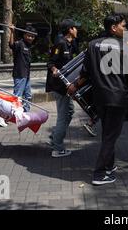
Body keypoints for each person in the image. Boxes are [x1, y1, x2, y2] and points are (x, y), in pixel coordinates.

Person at [68, 14, 128, 186]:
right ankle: (100, 173)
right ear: (114, 27)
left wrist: (75, 85)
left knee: (107, 133)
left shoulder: (92, 45)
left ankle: (109, 166)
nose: (125, 29)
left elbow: (85, 73)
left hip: (99, 98)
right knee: (111, 136)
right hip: (117, 96)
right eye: (123, 26)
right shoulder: (124, 47)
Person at [46, 19, 80, 158]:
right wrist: (54, 69)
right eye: (75, 28)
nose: (77, 30)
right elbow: (50, 62)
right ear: (70, 30)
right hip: (59, 86)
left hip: (67, 86)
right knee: (62, 116)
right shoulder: (60, 43)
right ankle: (58, 147)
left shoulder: (71, 44)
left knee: (70, 111)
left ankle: (55, 137)